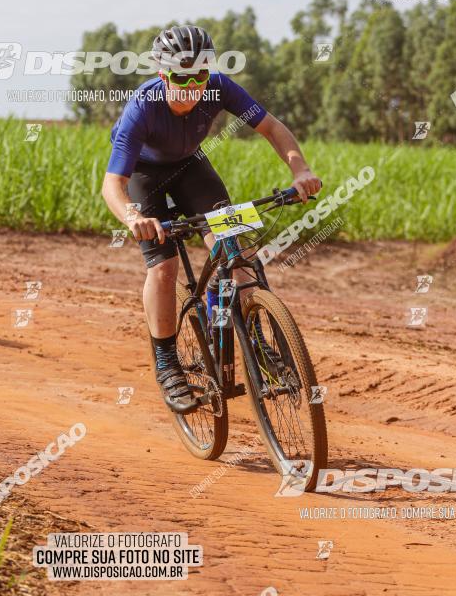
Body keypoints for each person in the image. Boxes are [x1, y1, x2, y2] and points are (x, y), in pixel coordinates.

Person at [102, 24, 321, 413]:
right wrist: (133, 216)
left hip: (190, 167)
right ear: (162, 74)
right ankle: (168, 363)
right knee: (164, 266)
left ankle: (256, 337)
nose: (192, 87)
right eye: (180, 78)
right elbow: (112, 184)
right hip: (144, 174)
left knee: (235, 252)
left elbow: (271, 128)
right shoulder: (143, 107)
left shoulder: (220, 87)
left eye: (199, 76)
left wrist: (300, 171)